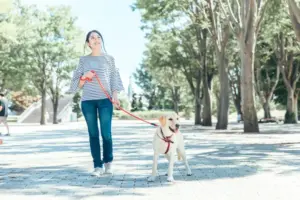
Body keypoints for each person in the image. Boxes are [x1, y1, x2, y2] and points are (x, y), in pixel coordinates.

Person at [68, 30, 124, 176]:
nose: (96, 39)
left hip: (106, 101)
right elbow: (76, 85)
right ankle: (97, 166)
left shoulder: (109, 59)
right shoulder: (83, 60)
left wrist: (115, 96)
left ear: (101, 41)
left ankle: (108, 164)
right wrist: (84, 77)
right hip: (88, 102)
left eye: (98, 37)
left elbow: (114, 79)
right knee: (93, 134)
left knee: (106, 133)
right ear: (88, 43)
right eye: (92, 38)